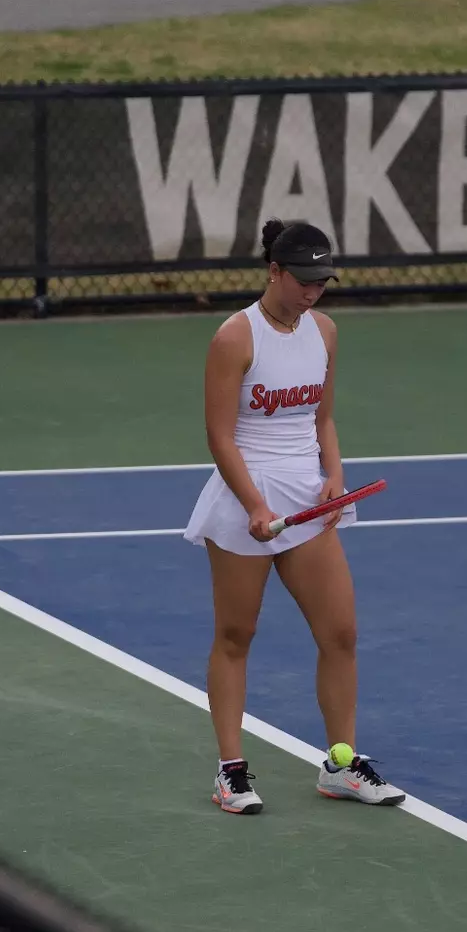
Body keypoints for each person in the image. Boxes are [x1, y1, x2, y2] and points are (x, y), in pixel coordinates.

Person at [183, 218, 406, 815]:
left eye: (322, 282)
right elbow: (219, 435)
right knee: (236, 635)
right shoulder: (235, 337)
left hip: (307, 501)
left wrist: (333, 472)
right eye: (302, 279)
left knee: (340, 634)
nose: (312, 292)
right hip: (244, 499)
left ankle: (340, 763)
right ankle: (231, 771)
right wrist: (255, 505)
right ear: (274, 271)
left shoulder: (325, 332)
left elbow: (322, 418)